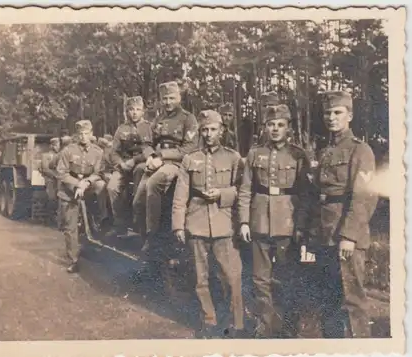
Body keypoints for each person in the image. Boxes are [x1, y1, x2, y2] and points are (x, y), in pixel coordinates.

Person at [238, 104, 311, 338]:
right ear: (265, 127)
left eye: (280, 125)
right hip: (259, 221)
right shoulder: (254, 154)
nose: (275, 129)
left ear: (288, 127)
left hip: (287, 222)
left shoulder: (298, 155)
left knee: (287, 277)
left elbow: (305, 194)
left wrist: (300, 225)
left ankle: (289, 325)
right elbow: (245, 190)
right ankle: (264, 324)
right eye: (271, 124)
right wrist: (244, 222)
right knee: (260, 278)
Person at [309, 91, 378, 338]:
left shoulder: (361, 150)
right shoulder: (325, 151)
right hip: (325, 234)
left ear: (350, 115)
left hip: (346, 235)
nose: (331, 117)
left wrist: (349, 235)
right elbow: (319, 196)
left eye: (337, 112)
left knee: (352, 299)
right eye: (327, 112)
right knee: (328, 299)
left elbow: (364, 197)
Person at [173, 109, 244, 338]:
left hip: (224, 223)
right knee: (200, 278)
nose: (209, 133)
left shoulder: (233, 158)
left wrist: (222, 194)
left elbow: (242, 190)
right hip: (197, 222)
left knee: (232, 277)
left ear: (221, 130)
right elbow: (180, 195)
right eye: (205, 129)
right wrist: (178, 225)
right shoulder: (189, 159)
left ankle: (236, 324)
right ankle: (209, 320)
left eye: (213, 129)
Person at [132, 81, 199, 274]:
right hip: (157, 162)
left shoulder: (188, 119)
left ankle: (152, 238)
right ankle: (144, 236)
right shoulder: (157, 120)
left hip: (176, 164)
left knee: (153, 183)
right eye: (165, 98)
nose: (168, 102)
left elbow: (189, 148)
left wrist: (162, 157)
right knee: (137, 201)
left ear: (179, 98)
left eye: (172, 98)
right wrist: (152, 157)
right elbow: (146, 143)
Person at [56, 120, 109, 273]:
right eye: (80, 134)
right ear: (76, 135)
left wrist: (85, 182)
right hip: (69, 190)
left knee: (101, 187)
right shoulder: (68, 151)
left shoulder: (98, 152)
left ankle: (100, 224)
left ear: (91, 134)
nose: (84, 137)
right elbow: (61, 173)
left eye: (86, 134)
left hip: (88, 188)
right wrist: (76, 184)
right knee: (70, 226)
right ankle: (73, 260)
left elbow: (98, 173)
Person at [106, 96, 153, 237]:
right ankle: (119, 224)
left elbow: (151, 150)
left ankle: (139, 225)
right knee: (111, 187)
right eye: (131, 109)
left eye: (138, 109)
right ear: (127, 111)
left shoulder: (149, 128)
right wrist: (120, 163)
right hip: (124, 165)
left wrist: (135, 160)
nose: (134, 112)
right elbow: (114, 152)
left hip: (141, 164)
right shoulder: (121, 129)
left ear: (143, 111)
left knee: (140, 188)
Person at [39, 137, 61, 224]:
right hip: (50, 179)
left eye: (58, 145)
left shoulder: (60, 155)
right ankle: (49, 218)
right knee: (52, 198)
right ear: (52, 146)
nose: (58, 147)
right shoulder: (45, 156)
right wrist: (55, 176)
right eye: (56, 145)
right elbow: (45, 169)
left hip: (59, 179)